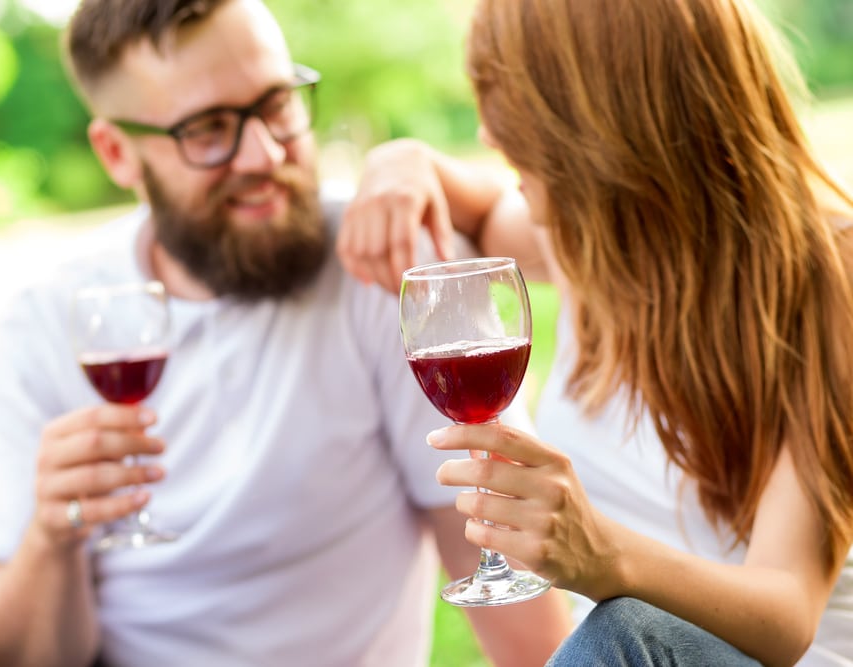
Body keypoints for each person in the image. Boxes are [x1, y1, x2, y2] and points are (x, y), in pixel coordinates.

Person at [0, 1, 573, 666]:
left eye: (277, 104)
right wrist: (51, 536)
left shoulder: (382, 270)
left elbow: (514, 609)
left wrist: (430, 168)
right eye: (208, 129)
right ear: (116, 153)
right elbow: (19, 656)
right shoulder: (39, 323)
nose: (265, 153)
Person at [337, 0, 853, 665]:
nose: (491, 136)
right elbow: (481, 206)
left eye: (511, 103)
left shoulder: (831, 274)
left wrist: (602, 552)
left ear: (595, 119)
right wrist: (402, 160)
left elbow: (785, 612)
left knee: (619, 629)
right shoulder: (593, 243)